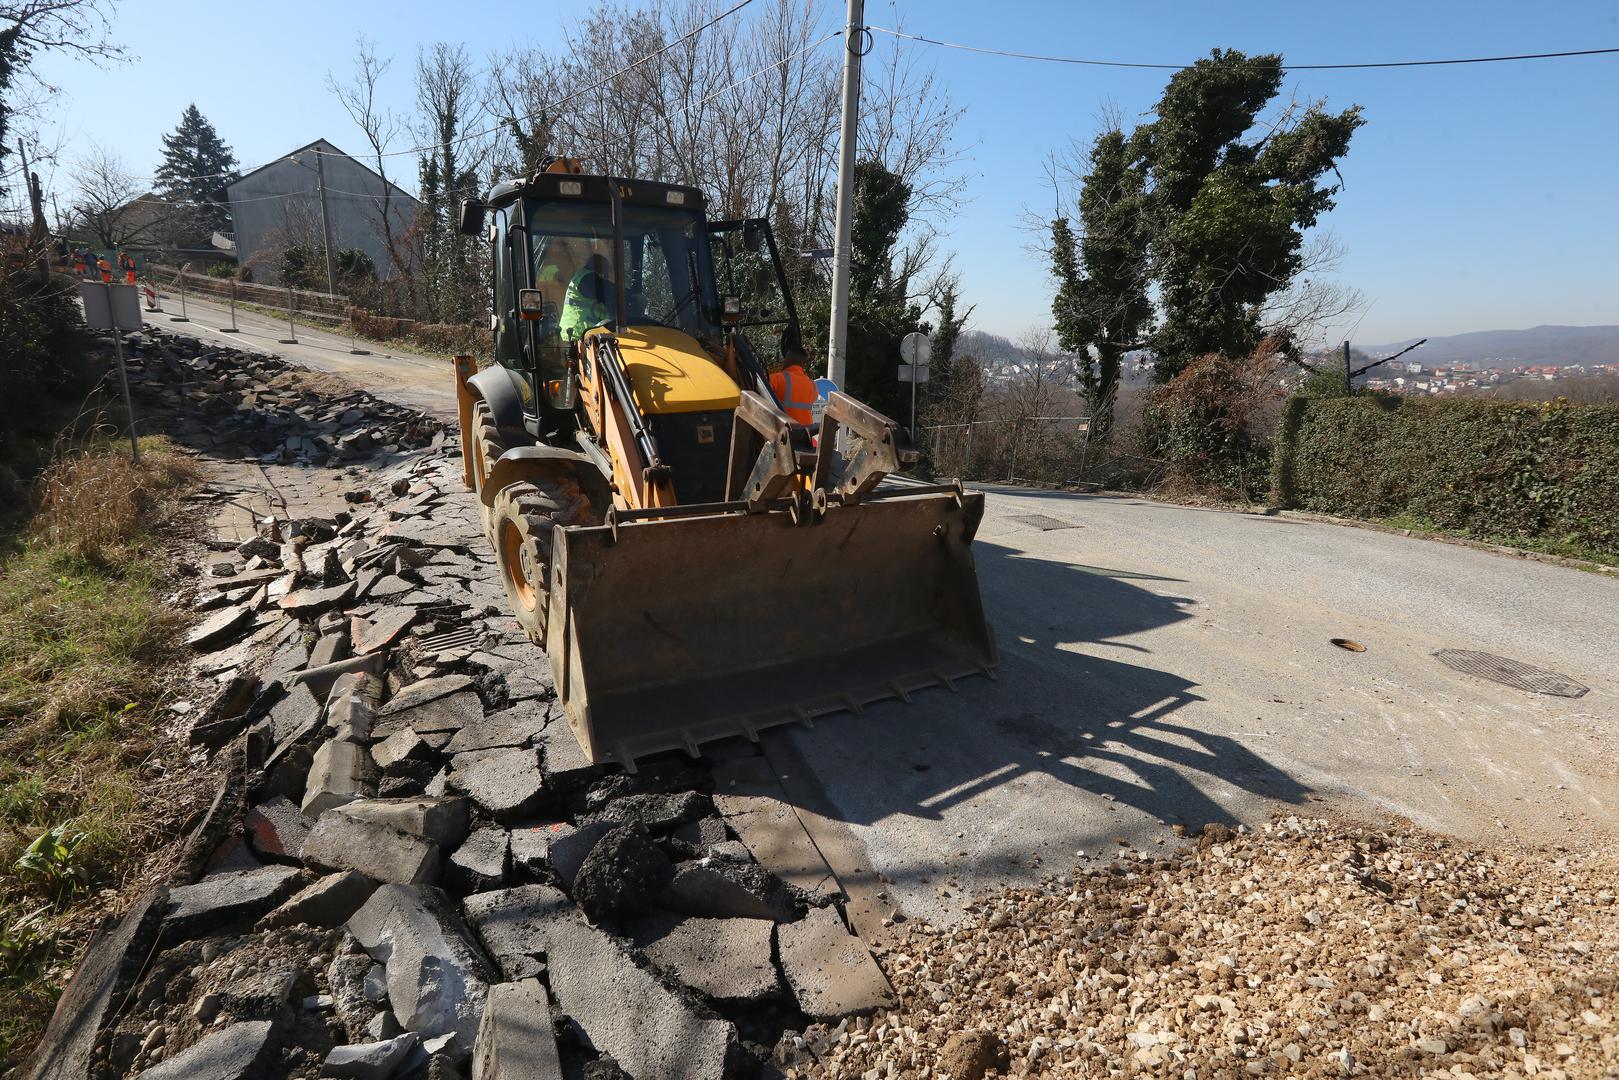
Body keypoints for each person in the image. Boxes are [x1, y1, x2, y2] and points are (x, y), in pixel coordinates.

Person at [559, 253, 614, 343]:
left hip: (579, 335)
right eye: (606, 271)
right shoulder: (588, 279)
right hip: (578, 335)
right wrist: (632, 294)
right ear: (600, 267)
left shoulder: (582, 277)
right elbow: (611, 291)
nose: (606, 275)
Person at [769, 333, 818, 428]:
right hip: (806, 434)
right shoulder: (812, 385)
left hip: (784, 434)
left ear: (788, 359)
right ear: (803, 364)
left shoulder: (775, 378)